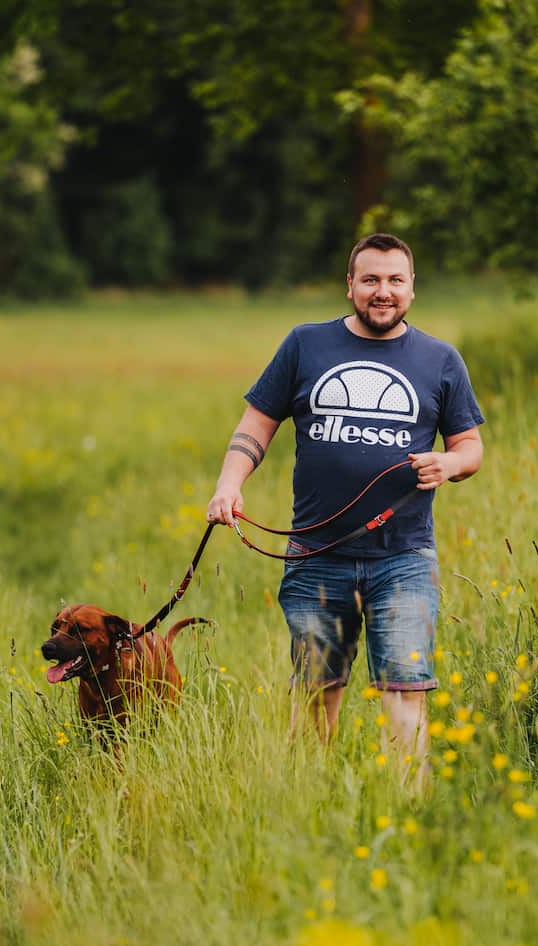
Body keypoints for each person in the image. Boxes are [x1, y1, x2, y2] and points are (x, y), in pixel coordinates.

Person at [206, 233, 484, 787]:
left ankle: (408, 807)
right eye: (371, 280)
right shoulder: (305, 345)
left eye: (395, 280)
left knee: (406, 689)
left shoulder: (439, 359)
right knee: (316, 689)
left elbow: (470, 446)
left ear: (411, 288)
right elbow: (255, 426)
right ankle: (312, 800)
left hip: (402, 557)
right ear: (350, 285)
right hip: (316, 556)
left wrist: (449, 465)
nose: (383, 291)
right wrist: (228, 485)